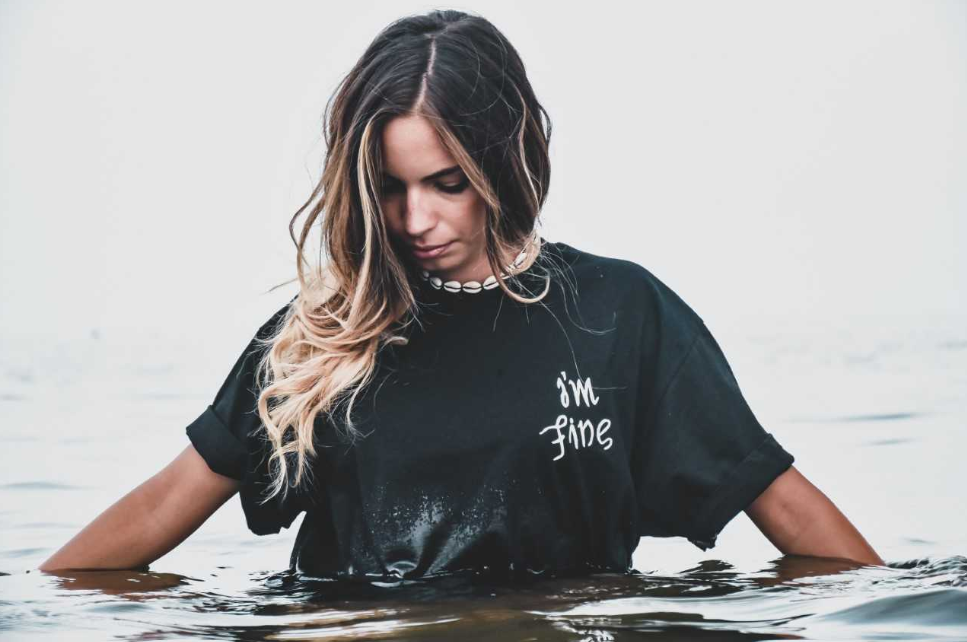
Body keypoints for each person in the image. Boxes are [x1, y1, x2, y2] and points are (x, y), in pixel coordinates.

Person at [39, 9, 883, 579]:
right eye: (389, 187)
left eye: (446, 183)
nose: (414, 218)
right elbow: (160, 506)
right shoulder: (322, 341)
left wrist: (899, 617)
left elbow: (777, 497)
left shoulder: (621, 313)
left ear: (506, 158)